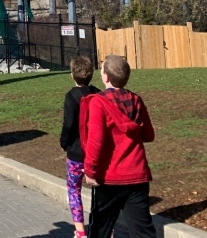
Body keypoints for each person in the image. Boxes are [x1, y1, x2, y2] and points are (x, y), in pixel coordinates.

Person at [81, 54, 156, 238]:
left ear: (105, 76)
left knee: (100, 229)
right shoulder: (137, 100)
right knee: (142, 230)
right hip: (137, 175)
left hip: (109, 177)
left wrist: (90, 170)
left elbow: (95, 139)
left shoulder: (98, 102)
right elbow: (148, 135)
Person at [59, 55, 100, 237]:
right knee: (99, 193)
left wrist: (64, 142)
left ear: (72, 75)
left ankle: (80, 231)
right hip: (95, 152)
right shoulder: (98, 94)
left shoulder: (71, 97)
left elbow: (69, 124)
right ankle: (104, 228)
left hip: (76, 152)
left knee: (74, 190)